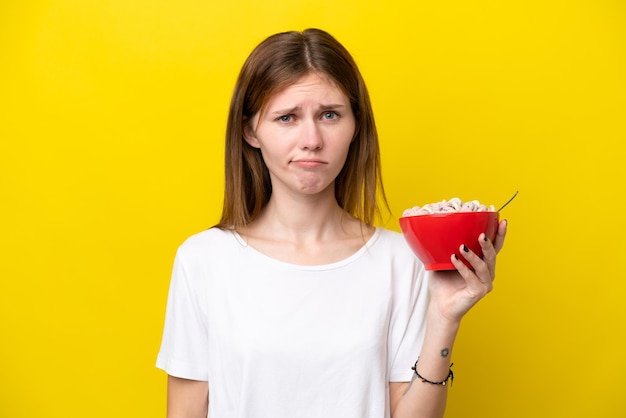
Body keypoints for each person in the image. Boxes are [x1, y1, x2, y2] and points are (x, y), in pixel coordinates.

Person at [156, 28, 507, 418]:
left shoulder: (400, 260)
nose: (312, 139)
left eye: (329, 115)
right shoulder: (204, 260)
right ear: (250, 131)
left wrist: (443, 317)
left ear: (356, 125)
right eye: (287, 117)